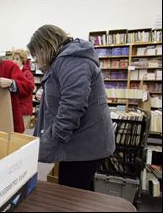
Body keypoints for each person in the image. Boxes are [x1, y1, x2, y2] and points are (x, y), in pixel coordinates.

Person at [27, 25, 115, 191]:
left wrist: (54, 139)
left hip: (85, 146)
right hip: (82, 143)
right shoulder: (66, 60)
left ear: (44, 47)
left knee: (71, 193)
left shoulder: (71, 60)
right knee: (81, 193)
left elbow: (72, 106)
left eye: (36, 55)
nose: (36, 60)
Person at [12, 49, 34, 129]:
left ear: (22, 61)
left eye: (17, 59)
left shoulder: (28, 74)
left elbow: (29, 89)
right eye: (13, 59)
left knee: (23, 135)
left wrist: (13, 85)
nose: (14, 61)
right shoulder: (13, 72)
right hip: (14, 108)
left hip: (23, 110)